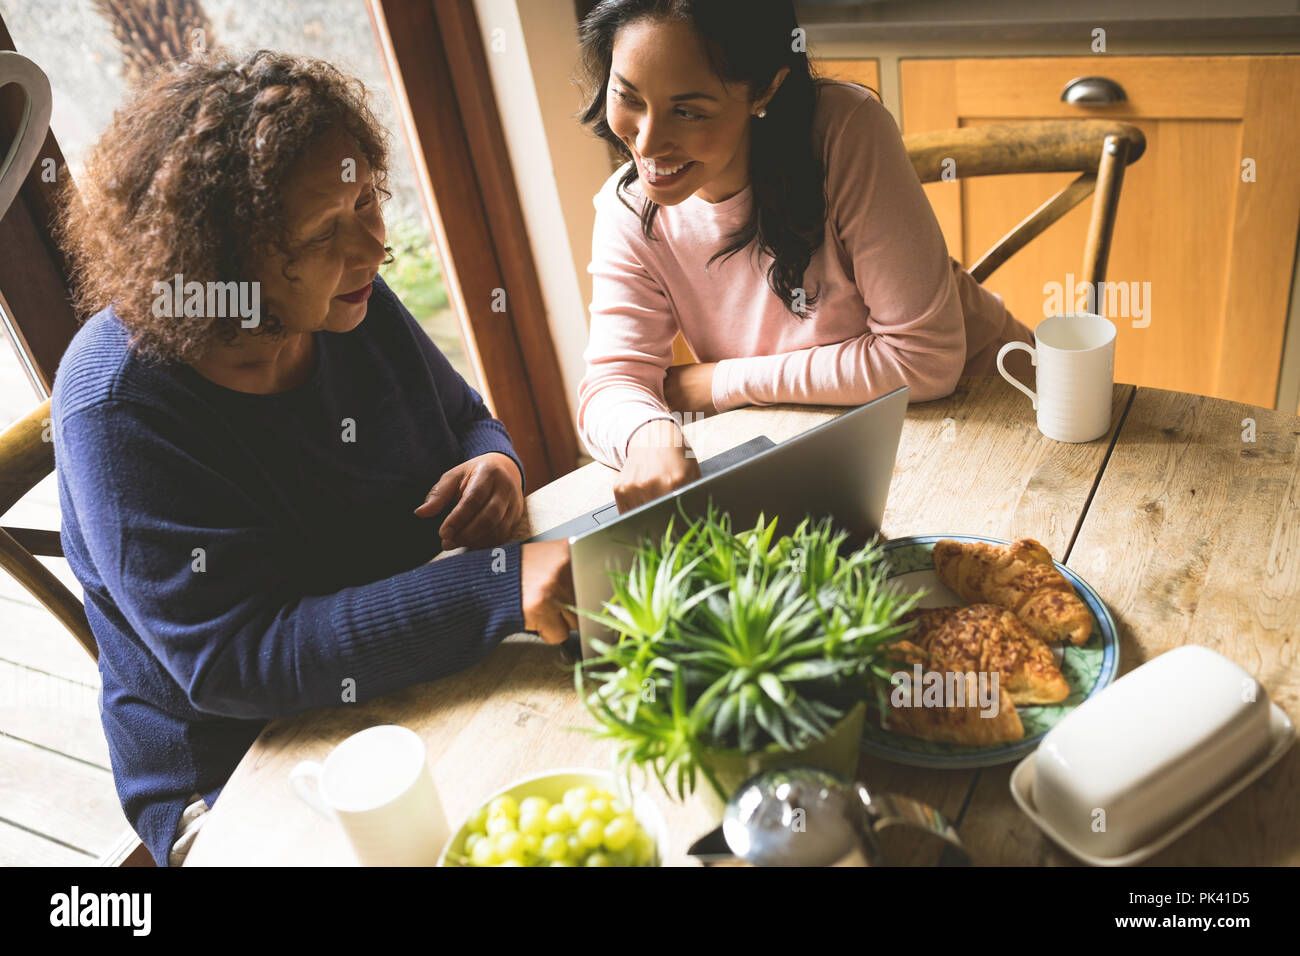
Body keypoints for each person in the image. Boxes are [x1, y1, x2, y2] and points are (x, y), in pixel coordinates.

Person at [50, 49, 574, 866]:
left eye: (368, 199)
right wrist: (495, 588)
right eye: (323, 231)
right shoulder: (118, 407)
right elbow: (238, 660)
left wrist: (496, 465)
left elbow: (468, 418)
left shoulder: (339, 295)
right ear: (218, 264)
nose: (374, 245)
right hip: (244, 765)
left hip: (411, 674)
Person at [575, 0, 1036, 512]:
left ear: (766, 89)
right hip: (831, 441)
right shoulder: (627, 207)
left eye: (689, 111)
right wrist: (648, 435)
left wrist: (722, 381)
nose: (648, 141)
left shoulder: (846, 130)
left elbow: (922, 361)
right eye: (628, 96)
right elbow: (612, 385)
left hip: (996, 411)